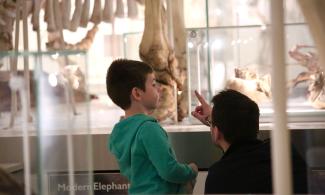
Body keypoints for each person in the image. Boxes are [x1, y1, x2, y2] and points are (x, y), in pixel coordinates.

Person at [106, 59, 198, 194]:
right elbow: (169, 170)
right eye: (154, 84)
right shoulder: (148, 129)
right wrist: (191, 171)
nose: (160, 88)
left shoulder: (118, 131)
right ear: (137, 93)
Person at [192, 89, 307, 194]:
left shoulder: (219, 178)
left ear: (216, 133)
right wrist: (215, 121)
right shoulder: (285, 153)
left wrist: (216, 121)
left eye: (212, 124)